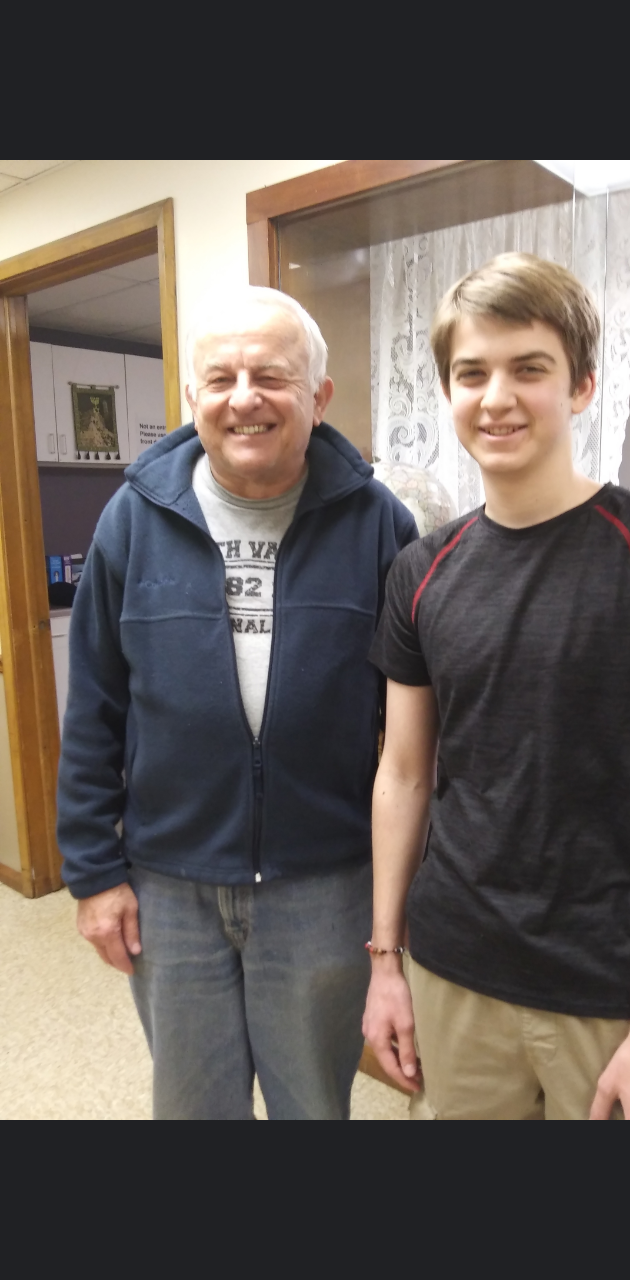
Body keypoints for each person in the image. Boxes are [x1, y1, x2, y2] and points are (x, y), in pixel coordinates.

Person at [363, 253, 630, 1120]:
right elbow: (404, 775)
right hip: (454, 968)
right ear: (447, 391)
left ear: (582, 385)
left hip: (613, 985)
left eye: (529, 369)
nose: (497, 398)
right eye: (471, 373)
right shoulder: (420, 570)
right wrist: (385, 963)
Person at [57, 286, 417, 1120]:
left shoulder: (379, 525)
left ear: (318, 396)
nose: (244, 398)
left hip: (323, 886)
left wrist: (401, 909)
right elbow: (95, 708)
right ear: (193, 396)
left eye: (271, 377)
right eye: (220, 379)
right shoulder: (133, 519)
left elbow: (410, 736)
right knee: (193, 1112)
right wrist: (93, 873)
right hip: (170, 884)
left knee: (312, 1107)